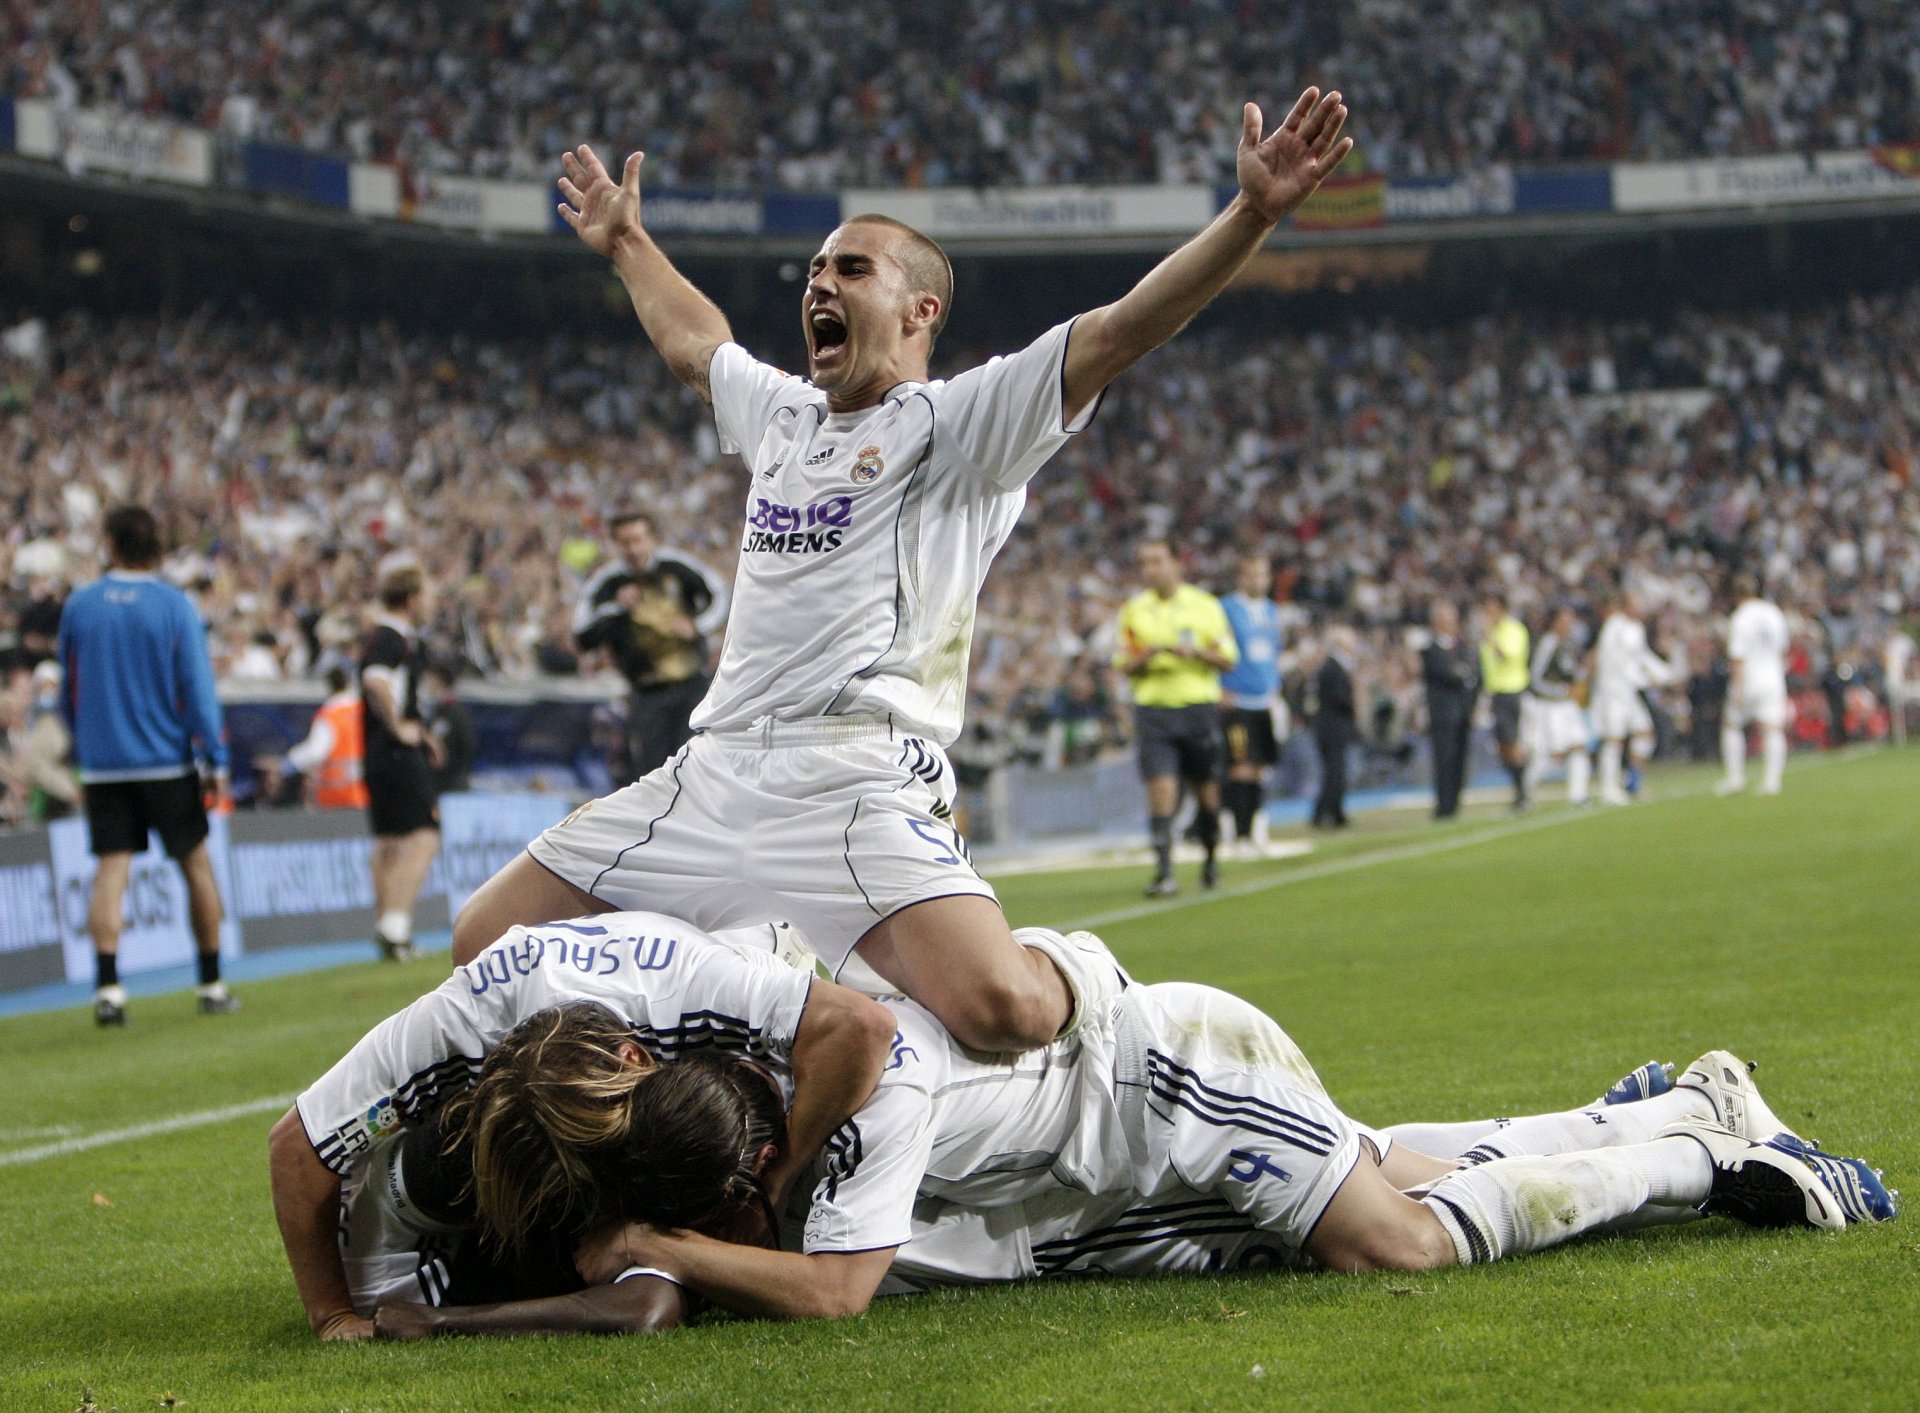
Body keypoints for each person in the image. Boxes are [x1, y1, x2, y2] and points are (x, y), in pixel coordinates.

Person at [451, 86, 1356, 1054]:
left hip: (854, 771)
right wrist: (629, 242)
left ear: (921, 309)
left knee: (1005, 1013)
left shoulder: (961, 423)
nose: (820, 284)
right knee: (487, 944)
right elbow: (695, 347)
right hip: (712, 768)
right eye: (814, 268)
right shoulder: (785, 415)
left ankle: (1087, 978)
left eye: (852, 268)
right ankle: (750, 987)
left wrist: (1251, 213)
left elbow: (1118, 331)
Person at [555, 979, 1892, 1328]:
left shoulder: (866, 1104)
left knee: (1393, 1244)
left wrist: (662, 1246)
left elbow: (836, 1291)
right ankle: (1651, 1117)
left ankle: (1702, 1162)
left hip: (1172, 1087)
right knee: (1384, 1172)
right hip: (1116, 1153)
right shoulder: (757, 1060)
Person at [268, 912, 895, 1340]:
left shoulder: (688, 991)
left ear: (636, 1057)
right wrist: (332, 1317)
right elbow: (296, 1145)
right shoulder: (458, 1028)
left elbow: (860, 1028)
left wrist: (775, 1187)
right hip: (417, 1210)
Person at [55, 505, 236, 1025]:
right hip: (166, 762)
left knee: (111, 870)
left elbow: (67, 690)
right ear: (155, 544)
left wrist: (85, 740)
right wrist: (215, 754)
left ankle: (108, 991)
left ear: (110, 542)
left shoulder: (80, 605)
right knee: (196, 866)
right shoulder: (173, 604)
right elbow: (197, 689)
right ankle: (211, 982)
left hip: (104, 767)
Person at [1115, 538, 1238, 896]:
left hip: (1198, 710)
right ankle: (1164, 871)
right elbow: (1123, 661)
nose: (1149, 569)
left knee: (1207, 792)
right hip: (1154, 712)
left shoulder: (1205, 606)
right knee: (1161, 788)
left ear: (1176, 564)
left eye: (1157, 561)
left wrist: (1195, 653)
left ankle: (1210, 859)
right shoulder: (1134, 610)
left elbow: (1229, 657)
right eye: (1144, 562)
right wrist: (1148, 655)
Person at [572, 509, 729, 782]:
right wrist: (616, 607)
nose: (633, 549)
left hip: (692, 685)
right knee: (653, 771)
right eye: (625, 542)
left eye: (638, 540)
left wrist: (697, 625)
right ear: (615, 545)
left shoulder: (676, 567)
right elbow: (582, 632)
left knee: (695, 765)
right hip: (646, 692)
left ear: (651, 539)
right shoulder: (608, 583)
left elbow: (720, 594)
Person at [360, 565, 442, 962]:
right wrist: (399, 727)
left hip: (377, 751)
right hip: (396, 752)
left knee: (389, 840)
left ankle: (387, 929)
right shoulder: (392, 638)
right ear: (411, 599)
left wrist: (421, 734)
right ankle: (396, 925)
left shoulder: (388, 637)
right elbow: (375, 682)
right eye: (427, 595)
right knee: (424, 834)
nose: (432, 604)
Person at [1219, 552, 1283, 855]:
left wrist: (1275, 688)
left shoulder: (1271, 610)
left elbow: (1273, 652)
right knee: (1239, 766)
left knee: (1259, 767)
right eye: (1252, 575)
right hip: (1237, 700)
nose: (1259, 581)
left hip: (1264, 700)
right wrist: (1218, 688)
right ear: (1241, 577)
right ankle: (1237, 832)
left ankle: (1256, 828)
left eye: (1263, 575)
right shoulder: (1226, 609)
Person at [1589, 589, 1676, 807]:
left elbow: (1642, 656)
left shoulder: (1636, 628)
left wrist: (1665, 673)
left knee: (1645, 734)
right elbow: (1611, 663)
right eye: (1638, 602)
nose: (1642, 607)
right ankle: (1609, 789)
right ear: (1626, 605)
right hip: (1613, 691)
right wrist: (1645, 679)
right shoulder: (1614, 626)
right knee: (1614, 738)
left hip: (1628, 692)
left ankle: (1632, 783)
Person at [1718, 575, 1792, 796]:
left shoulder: (1740, 617)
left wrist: (1737, 687)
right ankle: (1772, 781)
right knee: (1772, 728)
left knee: (1732, 725)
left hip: (1749, 676)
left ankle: (1735, 778)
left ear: (1736, 594)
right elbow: (1783, 648)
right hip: (1773, 676)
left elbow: (1737, 655)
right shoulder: (1773, 612)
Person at [261, 666, 368, 810]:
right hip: (366, 794)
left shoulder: (331, 716)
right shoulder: (363, 711)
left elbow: (315, 751)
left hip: (338, 795)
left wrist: (284, 765)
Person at [1525, 604, 1592, 806]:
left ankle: (1578, 796)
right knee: (1553, 755)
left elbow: (1570, 673)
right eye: (1565, 619)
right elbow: (1535, 678)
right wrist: (1561, 691)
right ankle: (1524, 790)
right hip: (1550, 706)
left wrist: (1583, 674)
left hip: (1567, 705)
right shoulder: (1548, 643)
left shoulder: (1568, 643)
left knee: (1579, 746)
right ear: (1554, 622)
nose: (1569, 623)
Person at [1419, 601, 1479, 820]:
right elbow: (1449, 675)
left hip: (1463, 712)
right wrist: (1462, 674)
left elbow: (1474, 673)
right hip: (1443, 715)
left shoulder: (1462, 647)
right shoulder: (1430, 649)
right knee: (1443, 760)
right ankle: (1444, 806)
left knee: (1460, 760)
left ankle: (1455, 803)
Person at [1477, 591, 1530, 813]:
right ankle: (1519, 792)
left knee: (1511, 742)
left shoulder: (1513, 630)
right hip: (1496, 693)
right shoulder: (1493, 633)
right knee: (1502, 745)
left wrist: (1490, 636)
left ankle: (1523, 793)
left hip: (1511, 691)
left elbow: (1506, 656)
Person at [1310, 628, 1357, 829]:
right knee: (1334, 772)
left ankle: (1333, 812)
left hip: (1333, 726)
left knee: (1336, 772)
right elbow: (1339, 698)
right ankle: (1326, 813)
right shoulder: (1332, 667)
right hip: (1332, 727)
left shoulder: (1333, 666)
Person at [421, 661, 477, 796]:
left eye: (429, 678)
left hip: (452, 784)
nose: (426, 682)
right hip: (437, 782)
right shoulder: (435, 709)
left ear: (439, 680)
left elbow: (467, 745)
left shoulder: (454, 712)